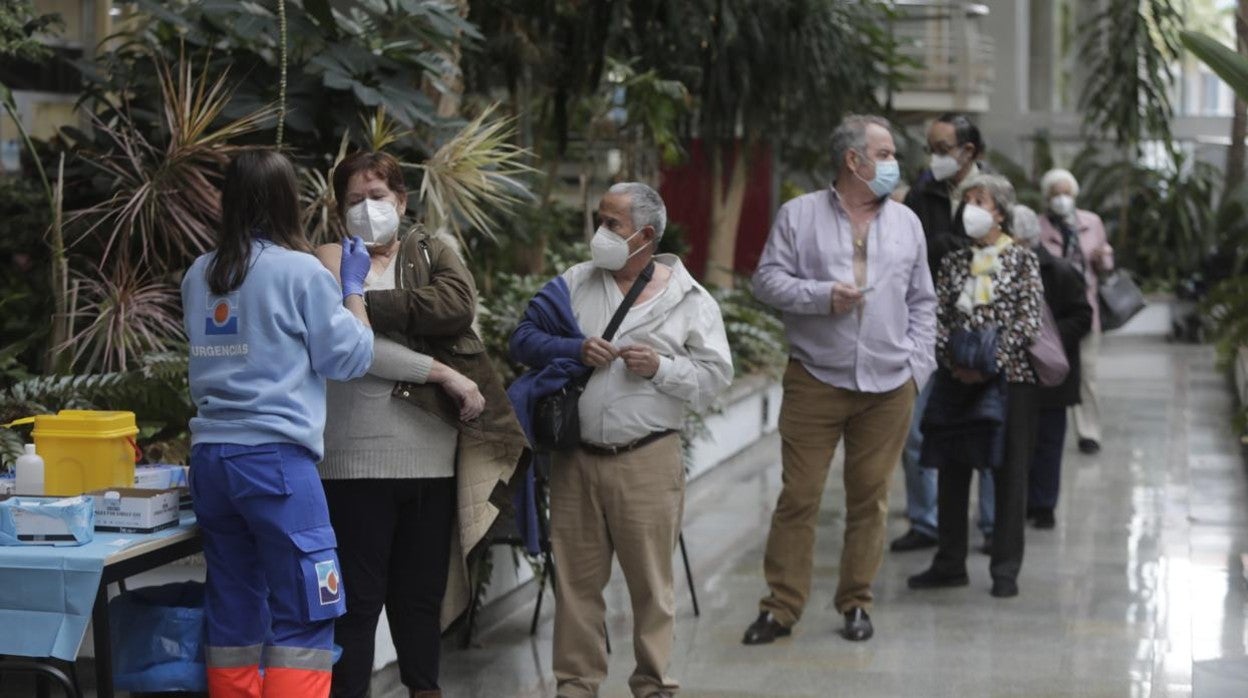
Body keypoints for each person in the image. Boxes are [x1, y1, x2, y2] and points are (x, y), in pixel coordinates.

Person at [314, 151, 529, 698]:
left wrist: (365, 300)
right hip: (353, 463)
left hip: (431, 460)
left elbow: (456, 307)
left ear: (402, 201)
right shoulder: (326, 259)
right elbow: (353, 348)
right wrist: (441, 371)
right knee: (356, 604)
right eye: (355, 199)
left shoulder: (432, 250)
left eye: (378, 196)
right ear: (339, 210)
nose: (368, 208)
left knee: (419, 599)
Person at [508, 182, 732, 698]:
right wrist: (573, 346)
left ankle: (653, 684)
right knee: (575, 585)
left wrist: (662, 368)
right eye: (599, 220)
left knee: (652, 586)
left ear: (646, 235)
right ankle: (576, 684)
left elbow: (715, 378)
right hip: (576, 460)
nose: (600, 233)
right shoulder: (575, 282)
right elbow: (523, 337)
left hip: (647, 459)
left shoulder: (689, 300)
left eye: (613, 225)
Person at [182, 150, 374, 698]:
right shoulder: (300, 271)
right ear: (287, 199)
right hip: (275, 465)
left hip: (212, 461)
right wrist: (352, 290)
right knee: (307, 612)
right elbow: (349, 358)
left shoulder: (200, 273)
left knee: (234, 608)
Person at [743, 114, 937, 645]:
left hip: (889, 385)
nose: (895, 162)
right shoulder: (798, 214)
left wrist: (918, 368)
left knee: (868, 499)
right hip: (815, 379)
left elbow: (923, 301)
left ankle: (856, 602)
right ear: (854, 160)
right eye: (886, 152)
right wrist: (820, 296)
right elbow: (766, 281)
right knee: (799, 496)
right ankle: (780, 608)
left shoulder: (907, 223)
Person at [907, 174, 1043, 599]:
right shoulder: (952, 261)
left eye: (979, 200)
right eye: (966, 201)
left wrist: (988, 365)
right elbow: (937, 317)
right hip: (955, 379)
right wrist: (955, 362)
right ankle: (949, 562)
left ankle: (1005, 569)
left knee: (1008, 472)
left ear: (1000, 211)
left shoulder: (1023, 261)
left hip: (1009, 380)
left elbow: (1028, 323)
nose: (970, 208)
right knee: (951, 468)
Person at [893, 113, 997, 554]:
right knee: (913, 429)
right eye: (930, 148)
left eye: (941, 148)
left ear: (967, 151)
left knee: (988, 423)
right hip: (925, 326)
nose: (933, 157)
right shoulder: (924, 188)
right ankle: (926, 520)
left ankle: (992, 524)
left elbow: (1003, 254)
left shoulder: (994, 194)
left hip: (980, 328)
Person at [1011, 205, 1093, 529]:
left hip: (1053, 375)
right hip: (1016, 372)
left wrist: (1047, 338)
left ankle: (1043, 505)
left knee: (1048, 441)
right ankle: (1018, 500)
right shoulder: (1001, 269)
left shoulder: (1060, 271)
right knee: (1018, 443)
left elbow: (1083, 316)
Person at [1038, 168, 1114, 455]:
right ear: (1047, 197)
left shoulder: (1091, 223)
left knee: (1088, 376)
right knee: (1052, 370)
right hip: (1052, 316)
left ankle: (1089, 432)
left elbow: (1106, 264)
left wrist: (1103, 258)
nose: (1061, 199)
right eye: (1056, 194)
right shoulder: (1039, 225)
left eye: (1066, 193)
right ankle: (1048, 424)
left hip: (1086, 311)